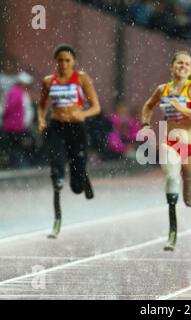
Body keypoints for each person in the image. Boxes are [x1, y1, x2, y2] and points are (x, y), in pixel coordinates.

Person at [141, 51, 191, 251]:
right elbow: (148, 105)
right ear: (171, 67)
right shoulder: (163, 89)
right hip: (170, 144)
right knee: (171, 177)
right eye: (180, 63)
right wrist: (145, 123)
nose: (184, 66)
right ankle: (172, 232)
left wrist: (182, 109)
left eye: (188, 64)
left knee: (190, 201)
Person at [37, 44, 101, 239]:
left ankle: (82, 177)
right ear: (55, 62)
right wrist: (41, 120)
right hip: (56, 127)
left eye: (67, 60)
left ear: (74, 62)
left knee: (76, 187)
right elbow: (42, 106)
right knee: (56, 171)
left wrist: (82, 113)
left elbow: (96, 107)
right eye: (60, 60)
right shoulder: (49, 81)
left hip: (76, 129)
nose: (64, 64)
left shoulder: (81, 79)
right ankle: (57, 220)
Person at [1, 72, 35, 167]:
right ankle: (19, 166)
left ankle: (16, 165)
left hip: (12, 127)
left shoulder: (13, 92)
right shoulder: (19, 93)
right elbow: (25, 111)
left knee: (14, 148)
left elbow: (5, 109)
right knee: (18, 148)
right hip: (18, 127)